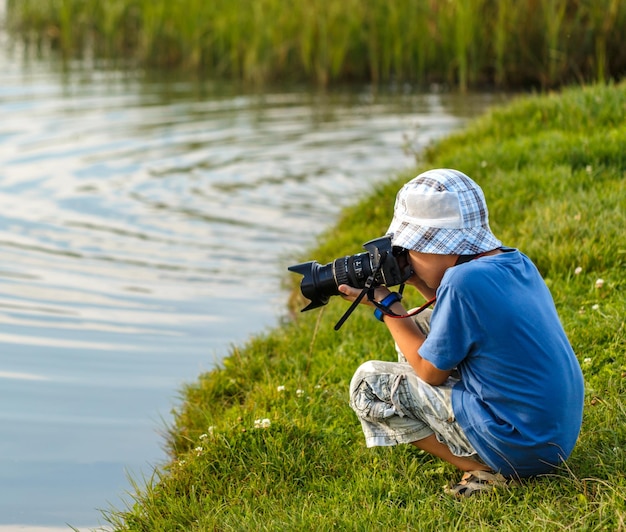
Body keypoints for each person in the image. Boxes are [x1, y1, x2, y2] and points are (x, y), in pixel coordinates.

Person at [338, 168, 584, 496]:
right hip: (552, 441)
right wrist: (419, 280)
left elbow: (430, 372)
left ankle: (485, 468)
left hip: (520, 447)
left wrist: (388, 307)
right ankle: (486, 449)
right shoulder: (515, 261)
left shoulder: (460, 281)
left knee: (367, 384)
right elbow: (459, 318)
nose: (405, 259)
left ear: (438, 246)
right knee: (425, 329)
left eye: (409, 249)